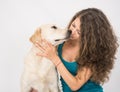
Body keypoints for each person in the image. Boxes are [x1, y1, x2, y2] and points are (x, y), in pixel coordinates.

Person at [32, 8, 118, 92]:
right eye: (73, 25)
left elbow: (75, 85)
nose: (72, 32)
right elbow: (43, 67)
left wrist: (55, 59)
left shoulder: (93, 52)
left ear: (89, 37)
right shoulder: (59, 44)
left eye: (79, 32)